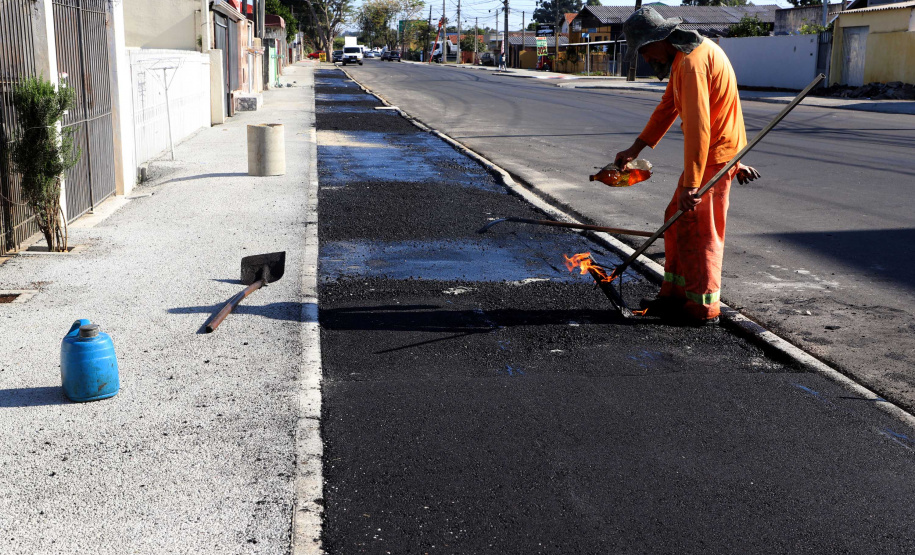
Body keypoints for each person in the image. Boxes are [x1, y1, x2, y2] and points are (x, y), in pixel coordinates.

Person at [613, 7, 761, 326]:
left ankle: (703, 308)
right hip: (711, 154)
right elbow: (668, 106)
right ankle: (675, 295)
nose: (647, 59)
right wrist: (635, 148)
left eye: (645, 52)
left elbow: (698, 128)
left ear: (658, 40)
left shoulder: (693, 63)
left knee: (700, 232)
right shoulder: (683, 56)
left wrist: (692, 186)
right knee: (676, 220)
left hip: (713, 156)